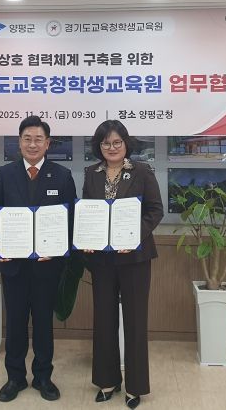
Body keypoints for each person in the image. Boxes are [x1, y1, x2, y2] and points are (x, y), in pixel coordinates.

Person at [0, 115, 76, 403]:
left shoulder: (62, 175)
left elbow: (70, 218)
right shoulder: (6, 174)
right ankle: (15, 377)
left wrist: (59, 246)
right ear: (19, 142)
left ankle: (43, 377)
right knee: (15, 323)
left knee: (43, 324)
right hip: (14, 265)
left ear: (47, 143)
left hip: (47, 266)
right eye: (28, 139)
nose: (33, 144)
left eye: (39, 139)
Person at [82, 120, 163, 409]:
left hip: (135, 258)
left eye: (117, 142)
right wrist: (86, 237)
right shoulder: (91, 173)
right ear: (99, 146)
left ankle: (135, 387)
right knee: (103, 319)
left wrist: (133, 235)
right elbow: (88, 211)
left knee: (135, 321)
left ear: (126, 143)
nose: (112, 147)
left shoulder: (142, 171)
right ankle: (107, 381)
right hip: (102, 260)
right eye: (106, 143)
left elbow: (155, 210)